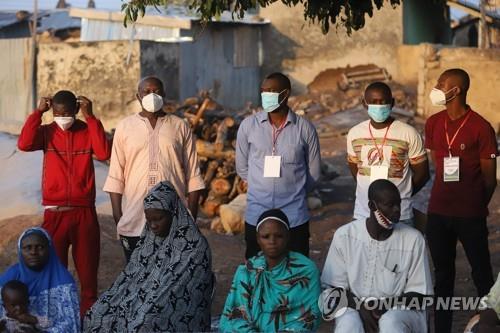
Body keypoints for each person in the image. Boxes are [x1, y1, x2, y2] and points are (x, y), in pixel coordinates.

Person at [17, 91, 111, 315]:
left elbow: (103, 151)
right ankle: (58, 320)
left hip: (84, 213)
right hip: (55, 214)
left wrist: (91, 117)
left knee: (88, 277)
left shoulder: (87, 130)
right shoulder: (46, 132)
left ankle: (88, 322)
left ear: (76, 110)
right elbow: (24, 143)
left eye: (68, 113)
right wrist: (38, 113)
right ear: (52, 112)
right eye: (58, 114)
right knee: (54, 274)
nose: (63, 118)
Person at [84, 181, 213, 332]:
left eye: (158, 219)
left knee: (142, 323)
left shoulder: (195, 247)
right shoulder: (149, 241)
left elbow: (178, 291)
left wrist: (142, 308)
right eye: (149, 220)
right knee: (96, 314)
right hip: (144, 298)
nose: (153, 226)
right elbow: (130, 277)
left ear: (174, 213)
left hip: (173, 309)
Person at [424, 68, 497, 333]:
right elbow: (439, 167)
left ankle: (488, 324)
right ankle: (442, 328)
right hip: (438, 213)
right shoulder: (433, 123)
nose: (436, 87)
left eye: (441, 83)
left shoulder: (481, 127)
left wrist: (475, 205)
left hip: (470, 215)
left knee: (481, 275)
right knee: (442, 277)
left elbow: (489, 179)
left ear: (457, 89)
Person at [104, 76, 205, 262]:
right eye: (146, 92)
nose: (152, 95)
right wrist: (118, 216)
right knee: (137, 278)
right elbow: (116, 174)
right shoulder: (125, 127)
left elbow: (193, 175)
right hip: (134, 217)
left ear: (164, 94)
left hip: (174, 219)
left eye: (156, 91)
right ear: (138, 96)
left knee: (171, 278)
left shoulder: (179, 126)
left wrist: (190, 216)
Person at [321, 179, 433, 333]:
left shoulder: (413, 239)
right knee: (349, 323)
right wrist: (361, 308)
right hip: (353, 305)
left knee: (390, 322)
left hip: (398, 309)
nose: (396, 210)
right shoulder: (345, 236)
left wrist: (384, 306)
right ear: (372, 206)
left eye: (398, 204)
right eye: (389, 205)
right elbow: (333, 288)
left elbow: (420, 294)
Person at [236, 72, 321, 259]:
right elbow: (242, 167)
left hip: (294, 215)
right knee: (257, 271)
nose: (266, 95)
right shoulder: (248, 126)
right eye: (264, 91)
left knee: (296, 271)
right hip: (257, 213)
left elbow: (313, 172)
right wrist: (260, 188)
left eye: (272, 91)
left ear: (286, 93)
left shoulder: (304, 128)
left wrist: (294, 193)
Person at [220, 209, 322, 332]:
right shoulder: (247, 271)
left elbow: (312, 316)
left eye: (279, 236)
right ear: (258, 239)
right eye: (265, 237)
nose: (272, 242)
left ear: (288, 237)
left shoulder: (306, 270)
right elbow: (233, 316)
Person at [347, 82, 429, 227]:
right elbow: (355, 169)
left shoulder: (408, 133)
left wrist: (400, 197)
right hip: (364, 214)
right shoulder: (355, 133)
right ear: (364, 104)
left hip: (400, 215)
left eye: (383, 102)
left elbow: (423, 173)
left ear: (392, 103)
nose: (379, 106)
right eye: (374, 102)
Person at [0, 228, 80, 333]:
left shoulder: (63, 280)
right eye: (27, 248)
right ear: (20, 250)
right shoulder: (9, 277)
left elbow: (71, 325)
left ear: (49, 249)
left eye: (40, 247)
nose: (33, 252)